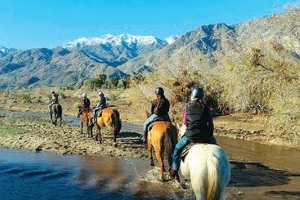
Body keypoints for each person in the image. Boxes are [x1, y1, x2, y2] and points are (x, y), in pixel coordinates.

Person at [169, 87, 217, 181]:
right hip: (205, 136)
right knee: (218, 149)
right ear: (202, 97)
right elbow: (211, 124)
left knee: (177, 149)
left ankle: (174, 168)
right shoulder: (207, 108)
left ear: (192, 96)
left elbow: (185, 124)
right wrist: (210, 135)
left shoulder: (187, 107)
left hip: (191, 136)